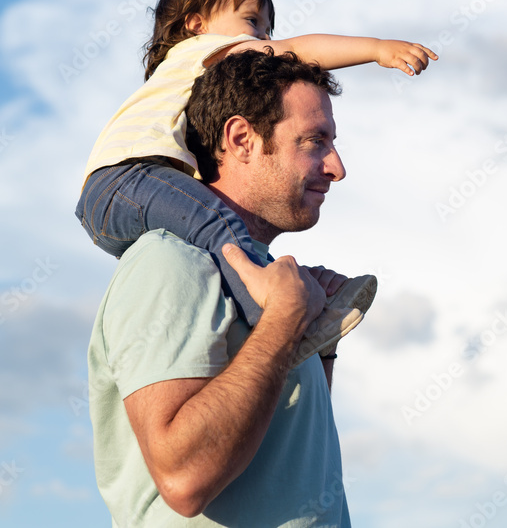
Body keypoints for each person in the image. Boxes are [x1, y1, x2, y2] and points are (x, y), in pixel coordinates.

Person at [75, 0, 436, 361]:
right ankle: (270, 312)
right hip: (126, 180)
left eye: (267, 30)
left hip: (114, 197)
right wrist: (376, 48)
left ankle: (293, 303)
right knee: (216, 222)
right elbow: (296, 49)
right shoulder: (198, 50)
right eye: (252, 23)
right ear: (196, 24)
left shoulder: (181, 80)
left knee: (212, 241)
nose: (263, 40)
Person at [89, 49, 355, 526]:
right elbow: (183, 479)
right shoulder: (169, 261)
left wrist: (322, 343)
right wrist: (282, 323)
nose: (337, 167)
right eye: (315, 141)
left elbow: (288, 452)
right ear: (241, 139)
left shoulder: (272, 282)